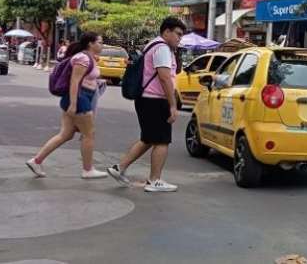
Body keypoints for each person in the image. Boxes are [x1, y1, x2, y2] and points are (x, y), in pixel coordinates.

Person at [107, 17, 187, 193]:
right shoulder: (162, 49)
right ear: (166, 32)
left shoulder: (153, 45)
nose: (179, 39)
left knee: (149, 139)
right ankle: (154, 180)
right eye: (178, 34)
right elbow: (165, 78)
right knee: (162, 141)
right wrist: (173, 105)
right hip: (155, 100)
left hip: (147, 99)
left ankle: (119, 168)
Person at [26, 32, 108, 179]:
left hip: (79, 98)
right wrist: (74, 104)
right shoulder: (82, 58)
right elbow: (74, 81)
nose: (102, 45)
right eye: (100, 42)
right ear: (91, 43)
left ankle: (36, 161)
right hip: (78, 99)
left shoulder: (88, 58)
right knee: (89, 134)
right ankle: (88, 170)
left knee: (66, 134)